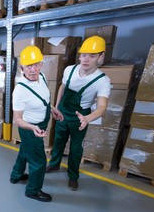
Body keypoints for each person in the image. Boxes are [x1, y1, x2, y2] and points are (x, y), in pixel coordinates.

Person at [46, 36, 111, 191]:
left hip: (80, 118)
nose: (86, 59)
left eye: (92, 56)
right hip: (62, 112)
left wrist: (87, 118)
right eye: (83, 55)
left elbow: (102, 106)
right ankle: (54, 165)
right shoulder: (70, 70)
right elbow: (62, 87)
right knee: (58, 140)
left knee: (76, 148)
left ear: (100, 57)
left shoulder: (102, 80)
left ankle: (73, 176)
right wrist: (56, 106)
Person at [10, 45, 53, 202]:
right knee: (39, 161)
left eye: (36, 64)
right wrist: (33, 127)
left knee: (25, 151)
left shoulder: (42, 77)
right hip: (31, 128)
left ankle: (16, 175)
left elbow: (43, 99)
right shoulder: (20, 90)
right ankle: (33, 190)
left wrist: (52, 108)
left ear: (41, 64)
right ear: (22, 67)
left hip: (40, 124)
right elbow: (18, 119)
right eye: (29, 66)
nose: (33, 70)